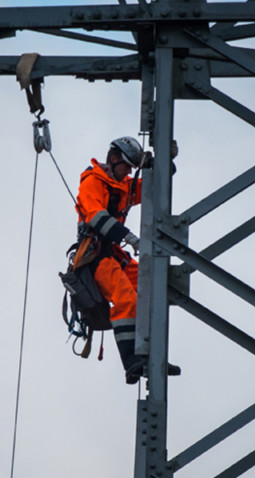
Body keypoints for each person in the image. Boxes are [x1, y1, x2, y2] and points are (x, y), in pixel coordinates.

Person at [75, 136, 181, 384]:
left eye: (132, 169)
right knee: (126, 299)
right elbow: (96, 217)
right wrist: (131, 238)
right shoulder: (92, 182)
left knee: (153, 291)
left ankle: (155, 357)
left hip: (113, 254)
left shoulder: (122, 187)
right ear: (113, 159)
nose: (128, 173)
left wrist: (166, 162)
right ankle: (132, 362)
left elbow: (154, 187)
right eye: (126, 167)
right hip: (96, 257)